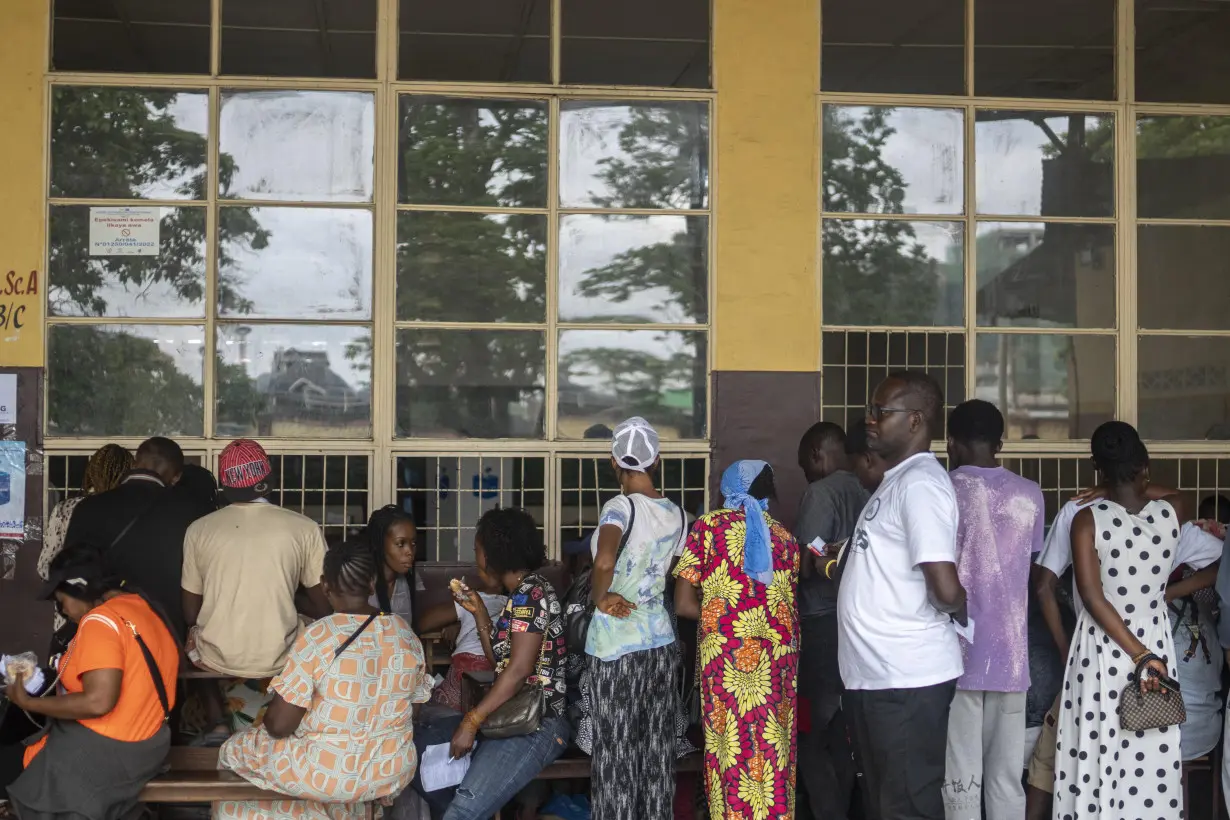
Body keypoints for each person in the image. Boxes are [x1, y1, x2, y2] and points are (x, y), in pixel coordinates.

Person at [216, 541, 433, 820]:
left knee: (232, 751)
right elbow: (412, 710)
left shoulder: (319, 636)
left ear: (325, 586)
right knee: (338, 786)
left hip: (327, 772)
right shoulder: (405, 634)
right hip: (389, 769)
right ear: (372, 583)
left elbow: (279, 725)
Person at [837, 372, 966, 820]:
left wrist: (962, 606)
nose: (870, 421)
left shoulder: (921, 486)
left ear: (915, 421)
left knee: (907, 807)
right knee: (884, 805)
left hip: (906, 679)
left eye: (881, 412)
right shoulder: (896, 480)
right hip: (877, 677)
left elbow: (946, 588)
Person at [1052, 421, 1188, 820]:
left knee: (1098, 751)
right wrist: (1148, 655)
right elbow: (1178, 494)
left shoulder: (1088, 520)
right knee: (1151, 748)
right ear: (1144, 465)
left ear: (1097, 468)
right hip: (1154, 642)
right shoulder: (1172, 511)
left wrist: (1138, 655)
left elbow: (1093, 598)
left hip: (1106, 648)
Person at [412, 508, 571, 820]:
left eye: (478, 550)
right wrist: (480, 611)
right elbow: (501, 658)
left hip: (537, 722)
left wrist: (471, 721)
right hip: (518, 716)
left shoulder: (530, 594)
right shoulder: (523, 593)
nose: (476, 559)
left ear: (495, 554)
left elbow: (518, 670)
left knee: (463, 811)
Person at [3, 544, 178, 820]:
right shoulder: (143, 608)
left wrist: (27, 701)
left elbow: (98, 701)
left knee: (16, 767)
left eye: (62, 601)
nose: (63, 611)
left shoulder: (100, 620)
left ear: (78, 587)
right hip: (148, 745)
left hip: (109, 748)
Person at [673, 460, 800, 820]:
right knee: (773, 752)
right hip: (778, 664)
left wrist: (727, 622)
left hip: (727, 664)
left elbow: (683, 604)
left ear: (728, 489)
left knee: (730, 753)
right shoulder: (787, 540)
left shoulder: (708, 528)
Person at [182, 439, 331, 737]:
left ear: (224, 486)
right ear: (268, 480)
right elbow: (327, 606)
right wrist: (290, 598)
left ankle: (217, 721)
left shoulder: (199, 529)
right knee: (318, 629)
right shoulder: (304, 527)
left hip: (217, 657)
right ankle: (290, 714)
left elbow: (190, 612)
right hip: (281, 655)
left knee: (190, 634)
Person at [942, 400, 1044, 820]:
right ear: (1000, 444)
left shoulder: (943, 490)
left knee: (961, 775)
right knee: (1005, 777)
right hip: (1011, 656)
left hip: (956, 652)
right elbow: (1031, 569)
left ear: (951, 441)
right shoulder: (1030, 494)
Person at [584, 417, 688, 820]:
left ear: (614, 462)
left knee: (617, 760)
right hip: (660, 644)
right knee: (656, 757)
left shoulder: (619, 506)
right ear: (656, 460)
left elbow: (605, 558)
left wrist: (600, 597)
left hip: (616, 649)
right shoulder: (680, 516)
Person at [793, 421, 867, 820]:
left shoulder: (821, 493)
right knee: (842, 734)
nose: (805, 472)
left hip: (820, 628)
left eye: (805, 463)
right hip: (858, 629)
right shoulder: (869, 488)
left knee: (807, 735)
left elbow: (806, 563)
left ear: (819, 454)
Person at [64, 437, 208, 640]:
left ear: (134, 464)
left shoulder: (88, 508)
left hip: (105, 633)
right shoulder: (193, 512)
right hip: (167, 635)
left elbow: (69, 578)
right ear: (176, 477)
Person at [38, 444, 132, 630]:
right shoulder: (131, 510)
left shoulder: (66, 509)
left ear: (92, 471)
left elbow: (43, 567)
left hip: (70, 615)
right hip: (117, 615)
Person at [417, 569, 507, 714]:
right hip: (504, 674)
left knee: (436, 713)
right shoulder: (518, 601)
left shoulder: (479, 597)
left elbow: (424, 622)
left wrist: (456, 613)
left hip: (469, 664)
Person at [363, 505, 425, 625]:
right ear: (379, 544)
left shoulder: (411, 579)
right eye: (400, 544)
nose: (410, 552)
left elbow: (420, 621)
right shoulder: (361, 581)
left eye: (413, 543)